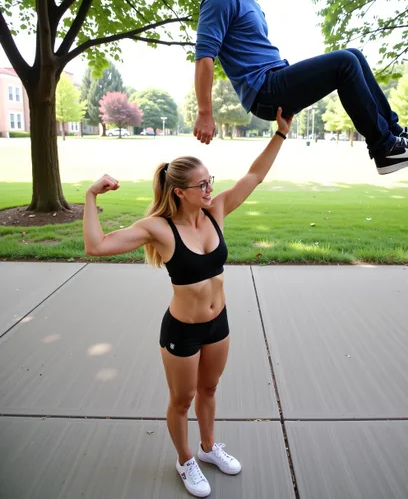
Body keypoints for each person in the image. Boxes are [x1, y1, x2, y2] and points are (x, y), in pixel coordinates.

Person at [83, 109, 292, 498]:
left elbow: (254, 176)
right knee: (183, 400)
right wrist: (91, 195)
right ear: (180, 191)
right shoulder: (159, 229)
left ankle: (210, 449)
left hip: (219, 323)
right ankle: (186, 460)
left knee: (210, 390)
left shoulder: (215, 212)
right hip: (182, 330)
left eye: (210, 181)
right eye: (202, 185)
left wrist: (280, 134)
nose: (210, 189)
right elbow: (96, 246)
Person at [193, 0, 408, 175]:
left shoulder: (248, 0)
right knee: (345, 62)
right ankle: (384, 148)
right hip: (265, 90)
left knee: (354, 55)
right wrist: (205, 113)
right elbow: (204, 56)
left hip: (275, 81)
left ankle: (395, 136)